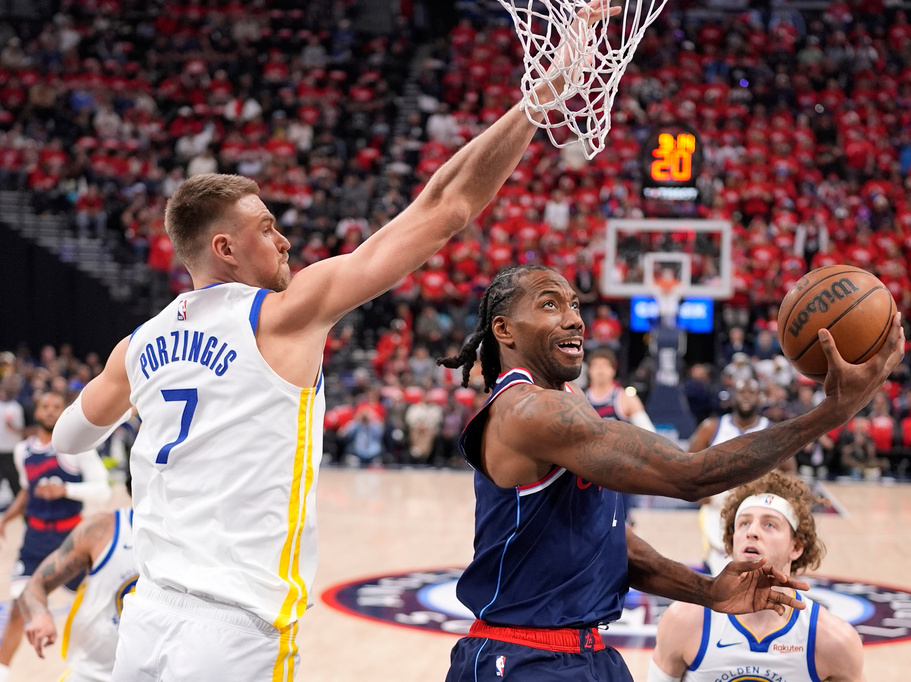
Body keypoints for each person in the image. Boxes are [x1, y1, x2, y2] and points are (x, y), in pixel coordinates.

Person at [49, 5, 614, 678]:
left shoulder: (136, 345)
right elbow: (444, 209)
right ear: (224, 248)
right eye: (266, 228)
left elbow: (68, 440)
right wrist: (540, 97)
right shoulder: (282, 314)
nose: (284, 239)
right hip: (233, 624)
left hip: (147, 612)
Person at [436, 265, 902, 681]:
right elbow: (689, 475)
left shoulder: (567, 403)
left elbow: (610, 542)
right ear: (504, 329)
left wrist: (708, 591)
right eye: (550, 304)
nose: (574, 318)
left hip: (589, 653)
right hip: (519, 658)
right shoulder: (526, 411)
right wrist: (832, 412)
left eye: (575, 304)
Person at [647, 471, 866, 682]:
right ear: (732, 540)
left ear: (796, 546)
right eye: (743, 523)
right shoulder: (685, 620)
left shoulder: (832, 639)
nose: (751, 532)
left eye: (769, 524)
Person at [0, 392, 110, 681]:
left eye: (57, 407)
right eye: (45, 406)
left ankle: (101, 668)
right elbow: (27, 489)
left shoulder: (77, 448)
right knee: (18, 608)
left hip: (72, 538)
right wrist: (8, 516)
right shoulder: (23, 450)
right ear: (36, 411)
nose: (50, 411)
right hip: (34, 539)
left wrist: (66, 490)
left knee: (95, 607)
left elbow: (104, 491)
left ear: (65, 412)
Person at [17, 496, 137, 682]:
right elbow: (35, 585)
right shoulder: (104, 528)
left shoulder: (192, 539)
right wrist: (40, 615)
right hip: (93, 673)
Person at [688, 378, 782, 576]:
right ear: (733, 397)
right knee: (721, 567)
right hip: (718, 509)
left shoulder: (772, 431)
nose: (746, 396)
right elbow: (688, 462)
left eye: (751, 392)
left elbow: (790, 469)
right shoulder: (712, 427)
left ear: (760, 398)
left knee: (757, 566)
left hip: (758, 509)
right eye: (742, 392)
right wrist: (697, 491)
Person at [584, 347, 656, 523]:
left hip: (616, 473)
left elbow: (649, 434)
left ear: (613, 370)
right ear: (589, 370)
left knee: (618, 526)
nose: (600, 370)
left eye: (605, 366)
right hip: (586, 472)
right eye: (596, 366)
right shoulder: (579, 399)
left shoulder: (624, 398)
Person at [0, 376, 24, 509]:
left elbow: (19, 429)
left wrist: (18, 430)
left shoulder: (16, 407)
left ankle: (23, 513)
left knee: (16, 484)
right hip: (1, 451)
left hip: (12, 452)